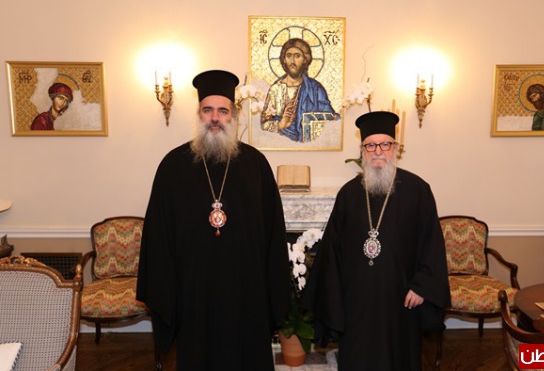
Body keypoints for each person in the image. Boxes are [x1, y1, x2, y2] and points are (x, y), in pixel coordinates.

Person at [136, 70, 291, 370]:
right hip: (194, 291)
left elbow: (274, 233)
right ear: (199, 115)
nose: (215, 118)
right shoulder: (173, 166)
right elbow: (158, 235)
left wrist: (273, 291)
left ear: (234, 116)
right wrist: (168, 291)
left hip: (246, 290)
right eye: (208, 110)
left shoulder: (256, 165)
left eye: (223, 110)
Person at [302, 111, 450, 371]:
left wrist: (422, 286)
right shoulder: (348, 194)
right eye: (370, 145)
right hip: (357, 300)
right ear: (362, 150)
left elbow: (432, 244)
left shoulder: (418, 190)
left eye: (385, 144)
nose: (378, 151)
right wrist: (335, 297)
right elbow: (332, 251)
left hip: (401, 299)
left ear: (396, 148)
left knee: (399, 356)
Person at [260, 38, 339, 142]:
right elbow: (264, 124)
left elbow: (332, 119)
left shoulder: (315, 89)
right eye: (289, 56)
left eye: (297, 56)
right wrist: (280, 124)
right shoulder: (275, 89)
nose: (292, 61)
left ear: (305, 59)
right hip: (281, 142)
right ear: (284, 59)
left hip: (310, 144)